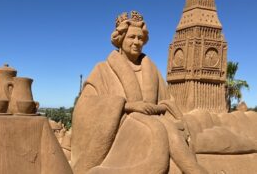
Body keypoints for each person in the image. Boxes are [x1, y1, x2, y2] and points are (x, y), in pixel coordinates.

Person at [71, 11, 207, 174]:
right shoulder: (102, 70)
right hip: (122, 129)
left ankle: (192, 169)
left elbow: (167, 100)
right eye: (132, 37)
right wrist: (128, 106)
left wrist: (159, 108)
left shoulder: (152, 70)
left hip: (154, 122)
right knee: (158, 128)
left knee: (164, 126)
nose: (137, 42)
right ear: (120, 39)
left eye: (140, 38)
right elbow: (85, 106)